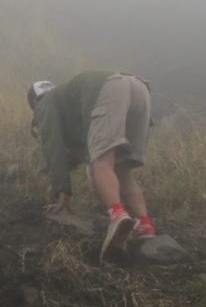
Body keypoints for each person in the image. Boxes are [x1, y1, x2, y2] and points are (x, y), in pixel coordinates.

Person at [27, 70, 155, 262]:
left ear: (34, 103)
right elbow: (84, 145)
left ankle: (117, 215)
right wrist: (65, 166)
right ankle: (144, 226)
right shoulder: (69, 98)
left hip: (111, 91)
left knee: (100, 164)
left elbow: (53, 146)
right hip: (138, 88)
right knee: (121, 170)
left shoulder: (45, 104)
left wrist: (62, 191)